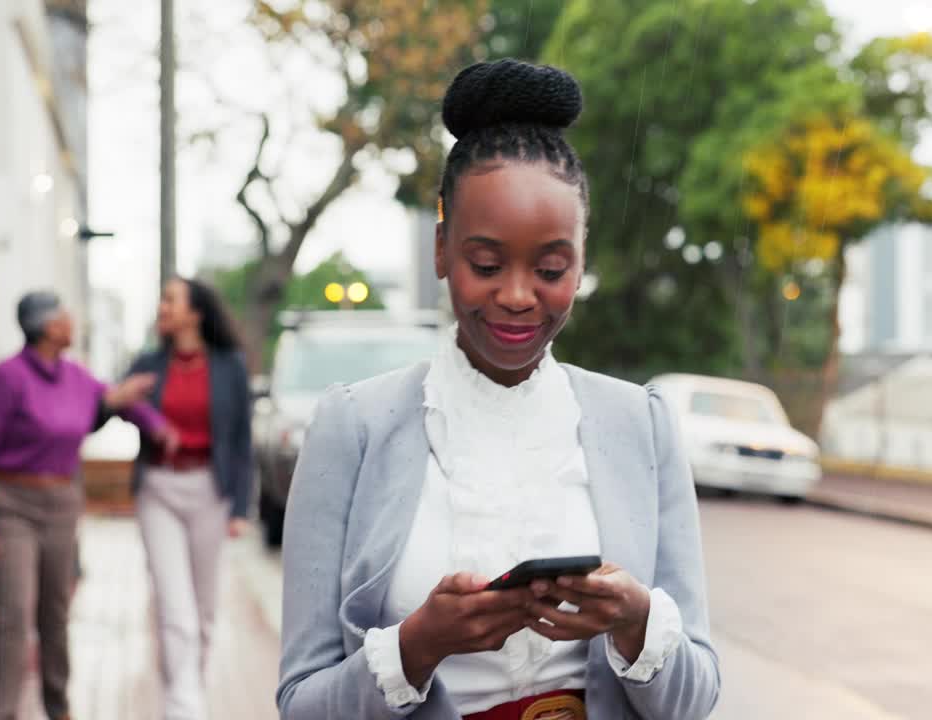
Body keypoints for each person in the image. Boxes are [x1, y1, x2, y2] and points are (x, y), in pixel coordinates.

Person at [276, 60, 720, 720]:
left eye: (550, 268)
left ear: (580, 259)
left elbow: (697, 696)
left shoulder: (641, 424)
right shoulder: (354, 426)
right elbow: (301, 704)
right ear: (440, 251)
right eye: (485, 264)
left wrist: (636, 622)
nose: (516, 296)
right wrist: (416, 647)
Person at [0, 290, 174, 720]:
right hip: (11, 506)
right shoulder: (4, 379)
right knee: (14, 615)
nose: (72, 320)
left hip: (61, 504)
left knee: (55, 614)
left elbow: (119, 401)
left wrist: (157, 426)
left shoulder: (77, 377)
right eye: (64, 314)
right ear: (45, 325)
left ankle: (58, 707)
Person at [123, 277, 253, 720]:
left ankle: (185, 692)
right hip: (159, 488)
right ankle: (185, 709)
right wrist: (150, 420)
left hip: (209, 491)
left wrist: (240, 507)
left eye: (170, 299)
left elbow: (240, 440)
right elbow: (117, 403)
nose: (162, 306)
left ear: (195, 313)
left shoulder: (230, 366)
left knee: (202, 613)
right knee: (174, 608)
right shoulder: (148, 363)